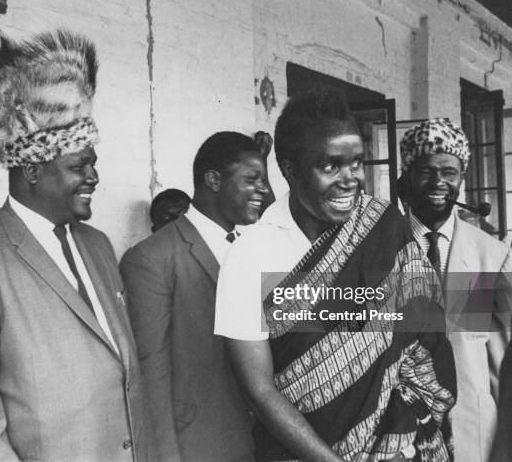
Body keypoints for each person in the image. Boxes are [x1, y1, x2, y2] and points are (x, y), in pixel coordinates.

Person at [0, 30, 153, 462]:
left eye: (93, 165)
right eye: (79, 166)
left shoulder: (97, 246)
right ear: (31, 170)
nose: (94, 178)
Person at [214, 90, 456, 461]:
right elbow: (259, 391)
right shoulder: (249, 256)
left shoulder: (385, 229)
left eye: (357, 163)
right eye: (331, 166)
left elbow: (426, 343)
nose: (351, 180)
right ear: (290, 170)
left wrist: (399, 439)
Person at [120, 131, 269, 462]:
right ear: (214, 180)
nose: (264, 190)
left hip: (260, 440)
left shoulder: (254, 248)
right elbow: (150, 376)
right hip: (202, 447)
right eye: (252, 179)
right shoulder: (152, 258)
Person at [399, 118, 512, 462]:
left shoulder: (491, 255)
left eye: (449, 172)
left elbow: (504, 358)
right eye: (426, 171)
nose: (438, 182)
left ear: (462, 177)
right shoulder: (379, 248)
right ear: (407, 173)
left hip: (473, 434)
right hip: (399, 433)